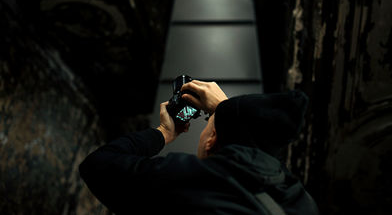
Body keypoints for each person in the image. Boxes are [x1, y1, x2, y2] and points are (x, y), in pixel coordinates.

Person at [79, 80, 319, 215]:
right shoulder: (300, 199)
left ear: (211, 138)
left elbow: (97, 165)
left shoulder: (196, 180)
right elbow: (253, 143)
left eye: (208, 122)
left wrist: (163, 133)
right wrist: (227, 112)